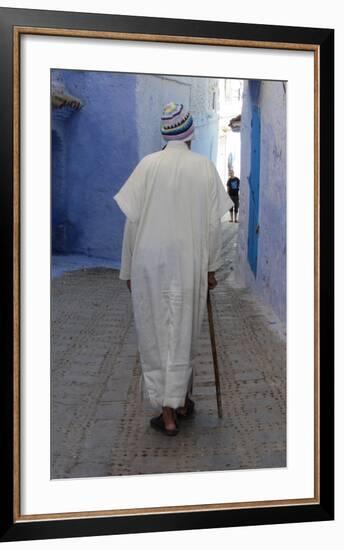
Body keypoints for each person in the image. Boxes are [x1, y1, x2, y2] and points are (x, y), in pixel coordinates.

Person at [113, 102, 233, 436]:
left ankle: (172, 409)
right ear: (191, 134)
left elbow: (131, 223)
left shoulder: (146, 166)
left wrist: (128, 271)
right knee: (182, 332)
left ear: (165, 136)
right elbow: (213, 225)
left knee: (154, 333)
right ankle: (176, 404)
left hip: (149, 264)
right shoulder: (205, 168)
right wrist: (211, 268)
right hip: (188, 263)